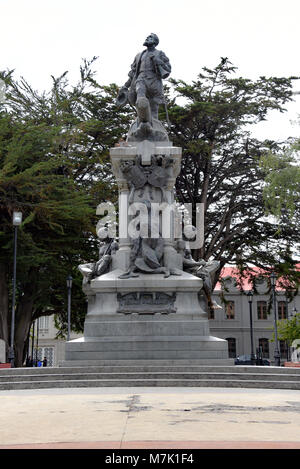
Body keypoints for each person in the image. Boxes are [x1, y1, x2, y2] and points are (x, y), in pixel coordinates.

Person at [118, 33, 171, 122]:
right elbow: (133, 73)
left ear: (155, 41)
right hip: (141, 79)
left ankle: (154, 125)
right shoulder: (139, 55)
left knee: (154, 106)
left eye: (150, 37)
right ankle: (142, 120)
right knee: (140, 97)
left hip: (154, 81)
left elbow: (167, 69)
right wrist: (125, 86)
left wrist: (157, 61)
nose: (147, 38)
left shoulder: (160, 53)